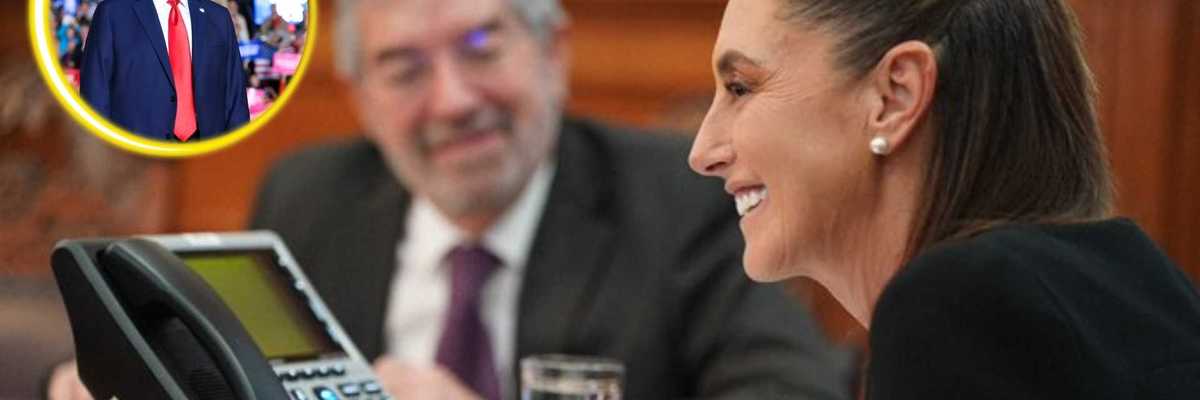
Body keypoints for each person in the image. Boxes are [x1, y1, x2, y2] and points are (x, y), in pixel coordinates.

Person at [46, 0, 853, 399]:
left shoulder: (680, 200)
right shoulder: (309, 195)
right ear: (360, 96)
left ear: (553, 55)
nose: (452, 101)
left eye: (480, 47)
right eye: (404, 70)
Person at [688, 0, 1200, 398]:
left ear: (896, 97)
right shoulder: (1130, 281)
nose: (701, 151)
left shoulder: (957, 305)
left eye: (739, 88)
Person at [80, 0, 249, 141]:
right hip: (136, 160)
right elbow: (94, 96)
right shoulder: (113, 13)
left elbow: (235, 100)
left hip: (206, 159)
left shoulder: (218, 18)